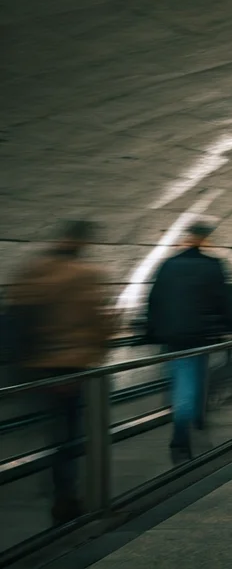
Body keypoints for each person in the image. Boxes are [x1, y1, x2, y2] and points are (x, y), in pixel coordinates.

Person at [6, 220, 115, 524]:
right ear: (83, 242)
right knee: (69, 432)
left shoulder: (33, 269)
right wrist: (98, 350)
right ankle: (66, 495)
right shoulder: (86, 275)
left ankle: (43, 479)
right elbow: (99, 321)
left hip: (34, 363)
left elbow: (14, 314)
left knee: (48, 426)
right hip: (70, 365)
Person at [146, 220, 232, 464]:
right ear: (205, 238)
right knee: (192, 381)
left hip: (172, 334)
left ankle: (192, 419)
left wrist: (152, 330)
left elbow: (154, 299)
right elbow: (225, 299)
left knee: (181, 378)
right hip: (200, 334)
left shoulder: (168, 265)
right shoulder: (213, 266)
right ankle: (183, 432)